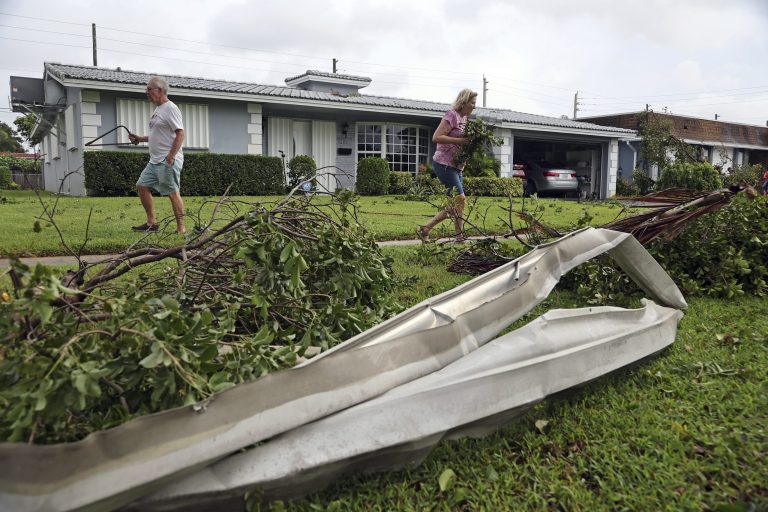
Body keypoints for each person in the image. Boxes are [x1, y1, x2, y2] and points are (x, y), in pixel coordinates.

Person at [417, 88, 477, 243]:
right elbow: (436, 137)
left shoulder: (464, 120)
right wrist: (460, 141)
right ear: (464, 102)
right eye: (472, 103)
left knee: (454, 205)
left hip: (456, 166)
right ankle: (459, 237)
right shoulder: (452, 115)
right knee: (461, 199)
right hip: (443, 164)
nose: (474, 106)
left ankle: (425, 229)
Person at [129, 76, 186, 233]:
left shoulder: (171, 108)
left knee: (173, 193)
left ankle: (181, 228)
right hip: (154, 161)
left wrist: (171, 156)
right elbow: (158, 135)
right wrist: (140, 139)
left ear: (160, 90)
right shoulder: (158, 110)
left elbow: (180, 134)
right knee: (142, 186)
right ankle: (151, 223)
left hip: (167, 160)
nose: (146, 92)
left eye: (149, 89)